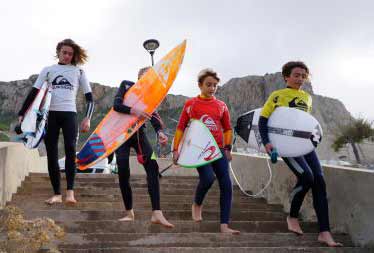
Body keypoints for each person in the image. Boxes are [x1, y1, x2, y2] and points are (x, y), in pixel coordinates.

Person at [258, 61, 342, 247]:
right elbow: (264, 121)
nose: (300, 79)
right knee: (306, 177)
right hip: (286, 146)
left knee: (319, 180)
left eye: (304, 76)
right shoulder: (277, 96)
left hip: (305, 146)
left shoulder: (307, 98)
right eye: (296, 75)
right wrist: (267, 143)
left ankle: (324, 231)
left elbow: (305, 124)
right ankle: (293, 216)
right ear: (286, 77)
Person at [17, 38, 94, 205]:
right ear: (58, 51)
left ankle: (70, 193)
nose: (67, 56)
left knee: (71, 149)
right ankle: (57, 194)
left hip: (69, 115)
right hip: (50, 115)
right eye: (64, 52)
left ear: (73, 55)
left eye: (70, 54)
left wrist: (87, 118)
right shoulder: (48, 70)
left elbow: (90, 98)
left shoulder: (79, 72)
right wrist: (22, 113)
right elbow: (34, 92)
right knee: (52, 153)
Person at [172, 68, 239, 234]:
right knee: (208, 178)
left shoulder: (221, 106)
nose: (212, 88)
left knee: (227, 185)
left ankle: (224, 225)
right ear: (200, 85)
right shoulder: (191, 104)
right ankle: (197, 203)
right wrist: (175, 149)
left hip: (217, 150)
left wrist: (228, 148)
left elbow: (228, 129)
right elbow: (180, 128)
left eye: (215, 85)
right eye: (209, 85)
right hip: (198, 150)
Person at [113, 67, 174, 228]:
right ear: (139, 77)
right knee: (123, 169)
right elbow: (116, 105)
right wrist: (135, 111)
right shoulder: (126, 85)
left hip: (140, 135)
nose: (147, 80)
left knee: (153, 166)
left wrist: (160, 132)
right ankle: (129, 213)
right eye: (144, 77)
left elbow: (154, 116)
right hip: (122, 135)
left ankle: (157, 213)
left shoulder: (151, 96)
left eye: (151, 78)